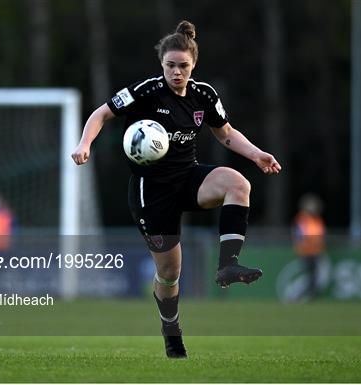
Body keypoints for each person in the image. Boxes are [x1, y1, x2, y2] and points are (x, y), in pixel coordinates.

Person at [72, 20, 281, 358]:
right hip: (151, 192)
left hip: (187, 178)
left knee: (238, 184)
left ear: (193, 65)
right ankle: (172, 332)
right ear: (162, 64)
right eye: (170, 65)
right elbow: (101, 114)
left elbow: (225, 132)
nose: (176, 72)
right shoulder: (146, 92)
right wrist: (85, 144)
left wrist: (256, 154)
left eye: (183, 66)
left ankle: (228, 265)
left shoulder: (204, 95)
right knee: (170, 274)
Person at [293, 194, 326, 300]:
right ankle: (299, 296)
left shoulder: (316, 219)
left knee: (313, 276)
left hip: (315, 251)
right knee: (310, 276)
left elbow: (320, 234)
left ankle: (310, 296)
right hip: (306, 251)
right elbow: (300, 234)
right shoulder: (303, 218)